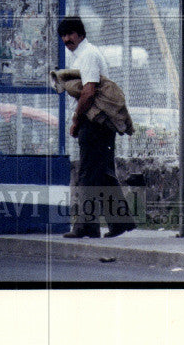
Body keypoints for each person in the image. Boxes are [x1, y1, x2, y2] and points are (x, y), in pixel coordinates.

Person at [57, 16, 136, 239]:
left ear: (81, 34)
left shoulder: (88, 55)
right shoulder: (80, 55)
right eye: (63, 35)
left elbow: (89, 91)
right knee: (100, 173)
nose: (66, 39)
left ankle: (85, 226)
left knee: (88, 174)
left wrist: (76, 119)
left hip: (95, 122)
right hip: (96, 122)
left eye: (71, 34)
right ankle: (119, 221)